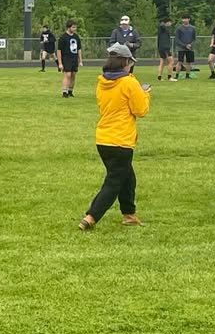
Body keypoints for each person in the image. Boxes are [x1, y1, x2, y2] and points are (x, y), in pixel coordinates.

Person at [78, 43, 150, 231]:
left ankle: (129, 214)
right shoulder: (129, 82)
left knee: (128, 177)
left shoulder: (102, 82)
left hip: (103, 138)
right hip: (121, 141)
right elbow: (140, 110)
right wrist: (145, 94)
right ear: (126, 62)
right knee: (114, 182)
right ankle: (91, 216)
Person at [56, 20, 83, 97]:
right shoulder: (63, 38)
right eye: (73, 27)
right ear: (68, 27)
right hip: (66, 58)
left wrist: (80, 60)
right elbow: (59, 51)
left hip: (74, 59)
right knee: (67, 74)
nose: (75, 29)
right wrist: (60, 63)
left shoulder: (76, 37)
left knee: (73, 75)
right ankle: (65, 92)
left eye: (75, 27)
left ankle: (70, 91)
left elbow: (79, 49)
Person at [174, 14, 196, 80]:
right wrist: (184, 45)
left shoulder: (193, 28)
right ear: (182, 20)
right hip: (181, 48)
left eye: (186, 18)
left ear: (189, 19)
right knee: (180, 61)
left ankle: (187, 75)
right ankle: (177, 75)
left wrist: (190, 45)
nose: (185, 20)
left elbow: (194, 39)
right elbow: (177, 39)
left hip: (190, 48)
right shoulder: (179, 28)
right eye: (184, 19)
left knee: (189, 62)